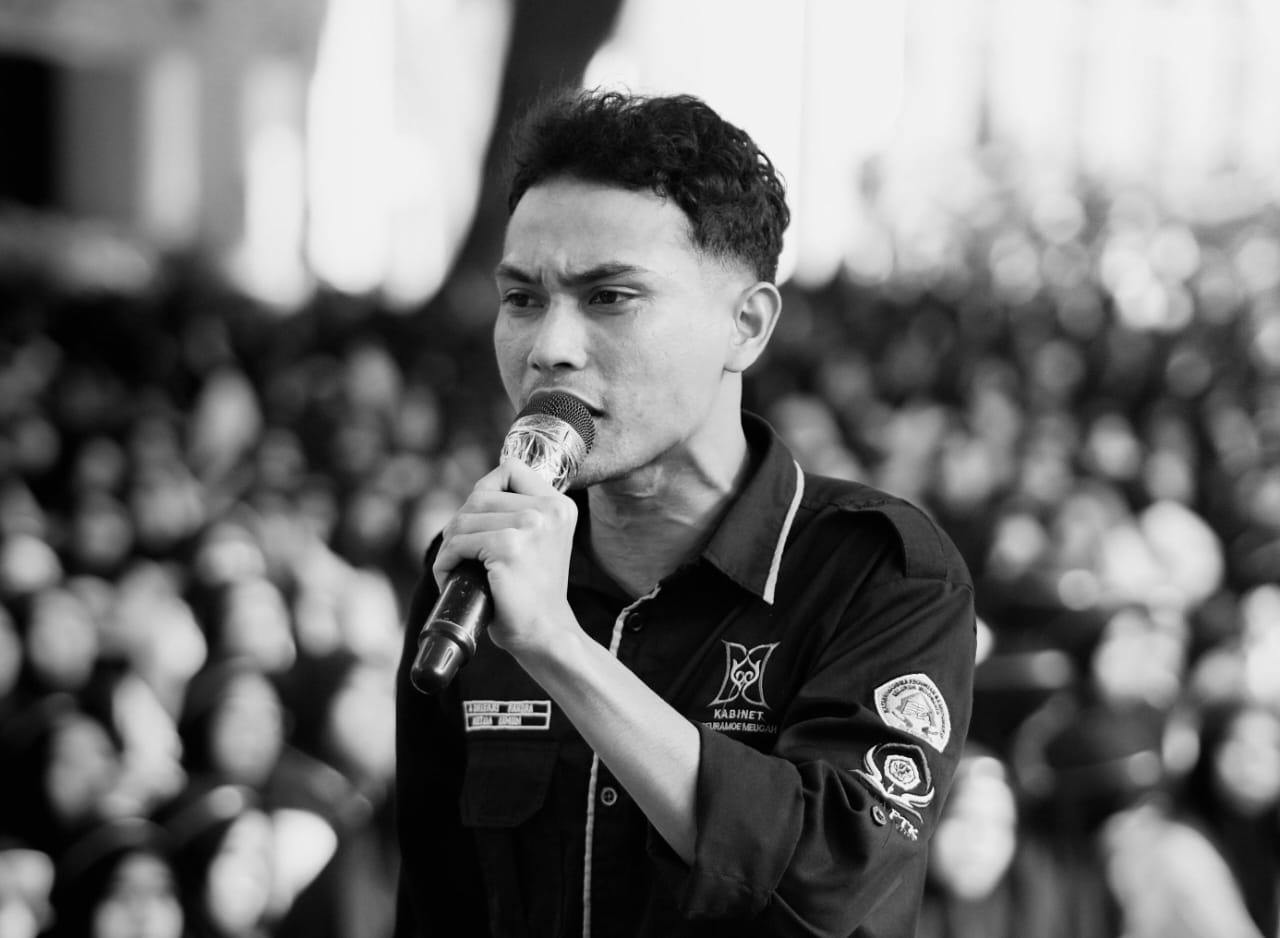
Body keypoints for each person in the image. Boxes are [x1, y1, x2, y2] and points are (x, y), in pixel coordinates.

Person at [394, 88, 977, 938]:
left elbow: (826, 882)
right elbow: (437, 904)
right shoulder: (480, 573)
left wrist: (559, 648)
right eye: (521, 299)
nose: (550, 347)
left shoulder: (879, 572)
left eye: (610, 297)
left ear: (748, 324)